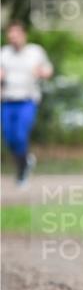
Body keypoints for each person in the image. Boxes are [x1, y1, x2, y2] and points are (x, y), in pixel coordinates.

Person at [1, 21, 53, 185]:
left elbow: (48, 70)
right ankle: (26, 161)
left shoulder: (35, 51)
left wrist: (42, 72)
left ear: (24, 35)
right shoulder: (3, 53)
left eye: (16, 34)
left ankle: (21, 172)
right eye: (10, 35)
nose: (13, 38)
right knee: (9, 137)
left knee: (20, 135)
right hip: (7, 100)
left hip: (27, 100)